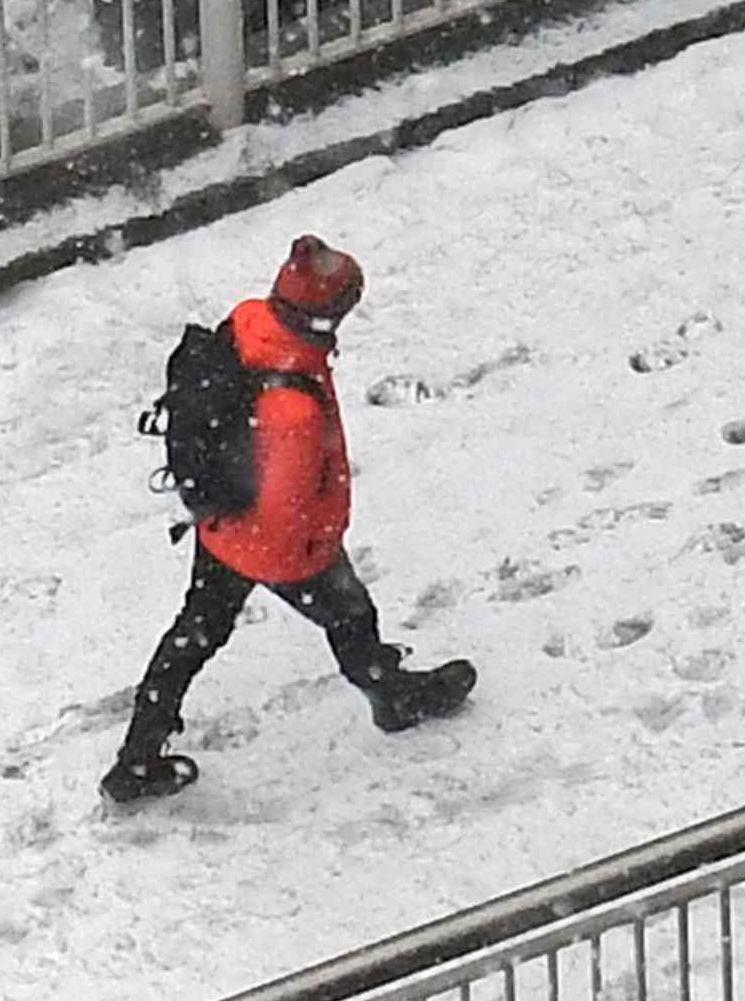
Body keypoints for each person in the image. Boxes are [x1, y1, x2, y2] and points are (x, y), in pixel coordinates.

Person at [106, 234, 474, 802]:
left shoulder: (253, 320)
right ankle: (394, 699)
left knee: (194, 635)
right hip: (272, 544)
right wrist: (321, 557)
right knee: (351, 616)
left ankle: (136, 760)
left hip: (220, 526)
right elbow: (287, 512)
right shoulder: (293, 412)